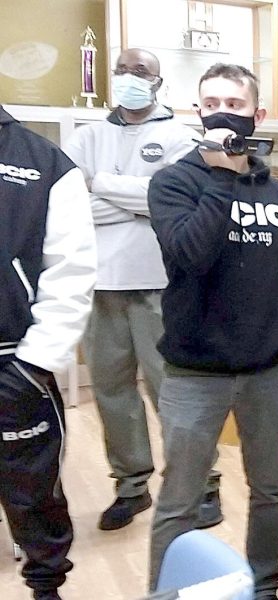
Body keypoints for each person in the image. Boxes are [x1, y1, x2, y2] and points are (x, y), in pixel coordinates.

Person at [147, 63, 278, 600]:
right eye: (211, 104)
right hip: (195, 372)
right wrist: (221, 177)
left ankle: (264, 588)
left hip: (268, 370)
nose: (222, 114)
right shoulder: (173, 183)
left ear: (258, 115)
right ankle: (165, 594)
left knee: (271, 490)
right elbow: (191, 255)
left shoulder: (277, 193)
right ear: (197, 112)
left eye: (234, 104)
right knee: (180, 499)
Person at [63, 48, 224, 532]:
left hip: (161, 285)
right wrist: (140, 198)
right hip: (99, 284)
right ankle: (131, 486)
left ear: (158, 81)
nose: (130, 78)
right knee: (111, 392)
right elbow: (70, 203)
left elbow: (174, 201)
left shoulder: (180, 137)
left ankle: (204, 484)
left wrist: (101, 185)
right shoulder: (86, 136)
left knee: (173, 391)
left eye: (141, 71)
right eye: (122, 70)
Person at [0, 105, 96, 599]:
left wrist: (34, 365)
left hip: (13, 362)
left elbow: (70, 273)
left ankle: (45, 587)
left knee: (33, 494)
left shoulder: (44, 164)